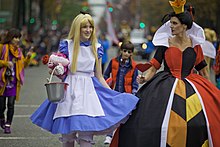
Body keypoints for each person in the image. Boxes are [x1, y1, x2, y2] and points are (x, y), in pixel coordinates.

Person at [110, 0, 220, 146]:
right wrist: (144, 78)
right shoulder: (165, 44)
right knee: (153, 120)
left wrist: (211, 92)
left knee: (203, 120)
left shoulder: (196, 46)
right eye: (171, 23)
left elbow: (203, 71)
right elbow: (154, 67)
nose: (171, 26)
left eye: (174, 23)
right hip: (165, 85)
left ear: (184, 26)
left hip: (193, 85)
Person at [30, 12, 139, 147]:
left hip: (89, 91)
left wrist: (113, 94)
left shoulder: (96, 47)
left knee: (86, 135)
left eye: (90, 27)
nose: (88, 30)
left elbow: (99, 75)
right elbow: (61, 69)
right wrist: (58, 70)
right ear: (77, 28)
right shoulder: (67, 45)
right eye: (84, 27)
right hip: (69, 92)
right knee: (68, 135)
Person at [103, 41, 139, 144]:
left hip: (126, 94)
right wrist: (105, 85)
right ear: (121, 51)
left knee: (124, 116)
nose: (126, 53)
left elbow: (134, 81)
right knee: (111, 114)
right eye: (124, 51)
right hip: (114, 92)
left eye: (129, 52)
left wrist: (133, 92)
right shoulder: (113, 62)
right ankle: (109, 135)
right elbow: (106, 75)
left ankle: (122, 136)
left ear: (132, 53)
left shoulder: (133, 66)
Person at [0, 28, 32, 134]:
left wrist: (28, 58)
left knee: (11, 104)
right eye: (15, 37)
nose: (17, 40)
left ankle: (8, 124)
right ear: (10, 38)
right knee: (1, 106)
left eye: (18, 38)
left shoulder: (19, 51)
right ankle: (1, 119)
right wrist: (5, 63)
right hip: (2, 81)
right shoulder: (2, 47)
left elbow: (23, 66)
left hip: (13, 82)